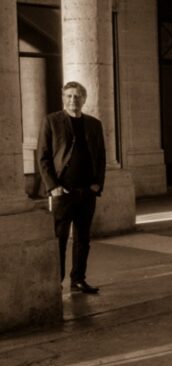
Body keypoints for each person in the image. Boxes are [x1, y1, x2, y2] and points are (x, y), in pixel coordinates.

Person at [37, 81, 106, 294]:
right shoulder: (51, 121)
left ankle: (78, 279)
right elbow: (43, 157)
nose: (73, 100)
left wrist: (97, 184)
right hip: (63, 190)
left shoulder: (94, 124)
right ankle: (56, 281)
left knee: (83, 238)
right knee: (60, 237)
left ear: (84, 99)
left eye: (77, 96)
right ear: (63, 98)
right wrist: (53, 187)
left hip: (87, 191)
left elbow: (101, 157)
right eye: (69, 96)